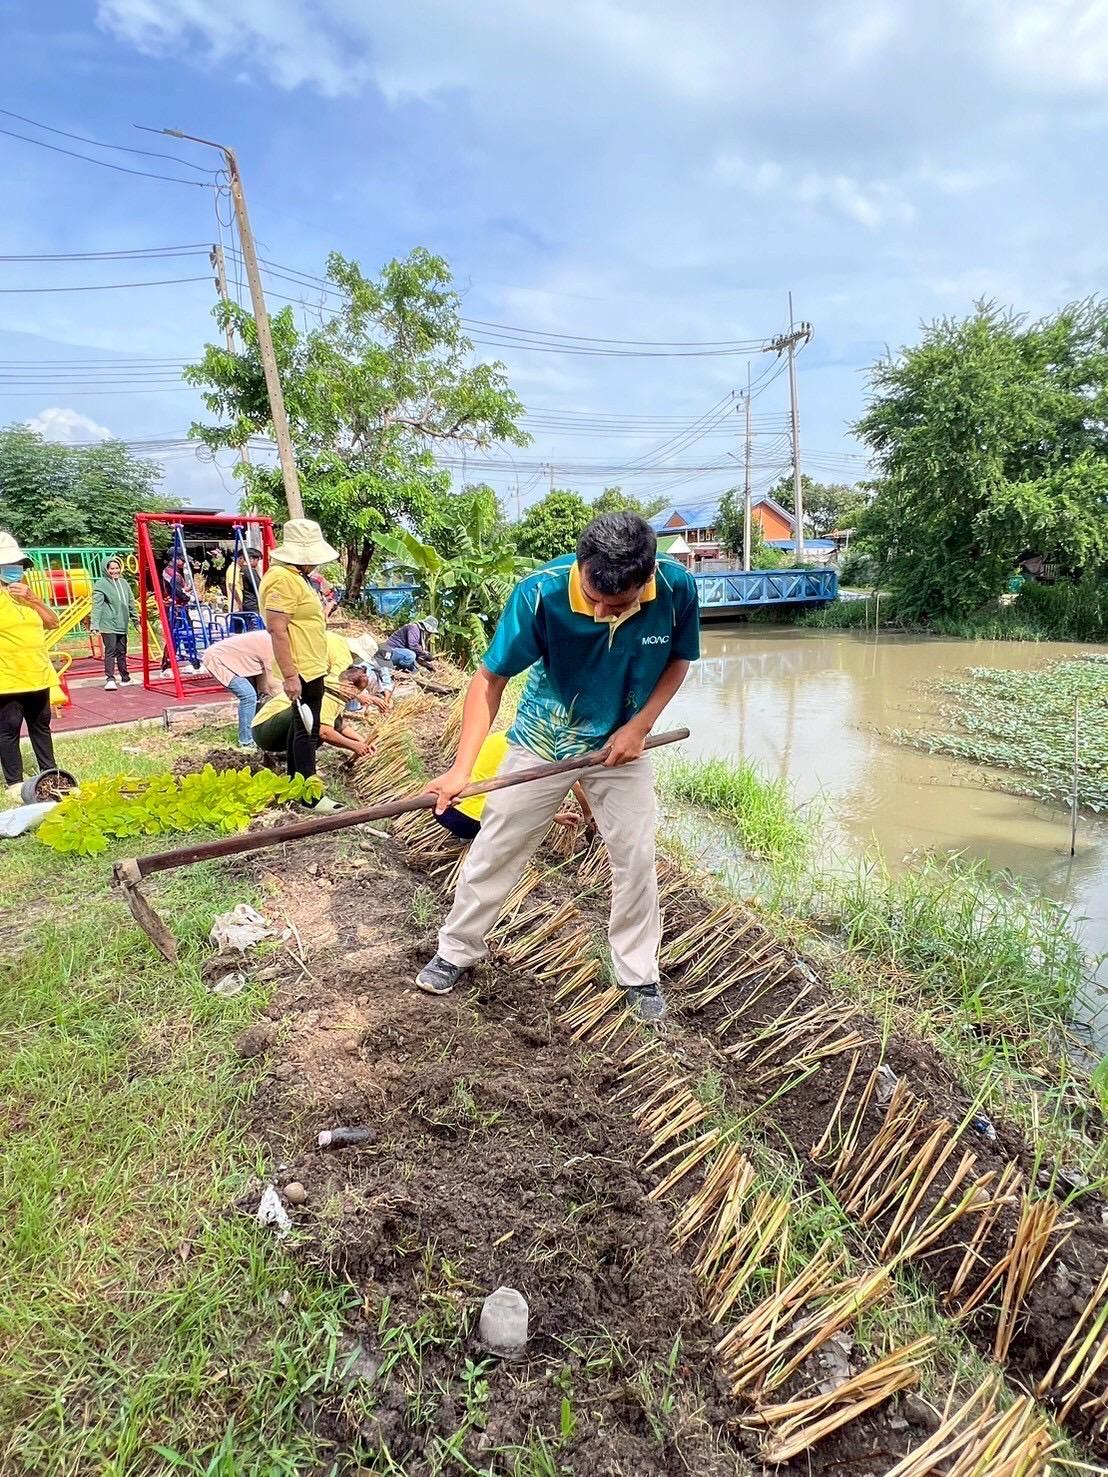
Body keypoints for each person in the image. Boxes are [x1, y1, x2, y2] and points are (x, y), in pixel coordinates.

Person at [415, 513, 700, 1023]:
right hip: (543, 740)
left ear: (647, 578)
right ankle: (456, 950)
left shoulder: (676, 588)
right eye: (593, 596)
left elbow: (679, 660)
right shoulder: (539, 593)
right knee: (497, 846)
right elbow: (489, 681)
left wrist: (640, 727)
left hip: (620, 745)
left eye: (617, 605)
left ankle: (638, 973)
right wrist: (461, 770)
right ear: (582, 564)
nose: (601, 610)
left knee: (635, 856)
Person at [258, 518, 341, 813]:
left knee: (302, 727)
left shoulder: (297, 577)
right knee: (308, 730)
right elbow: (277, 629)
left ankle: (297, 785)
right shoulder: (281, 579)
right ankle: (310, 796)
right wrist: (291, 675)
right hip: (301, 667)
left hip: (312, 665)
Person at [435, 729, 595, 843]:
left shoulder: (499, 737)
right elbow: (574, 784)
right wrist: (588, 814)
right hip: (471, 821)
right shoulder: (529, 752)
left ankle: (467, 836)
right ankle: (476, 838)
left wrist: (555, 817)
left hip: (444, 809)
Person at [0, 530, 62, 798]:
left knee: (41, 726)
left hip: (38, 674)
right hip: (8, 676)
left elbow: (53, 622)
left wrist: (33, 599)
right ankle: (14, 783)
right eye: (8, 565)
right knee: (8, 728)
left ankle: (51, 774)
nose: (16, 570)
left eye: (19, 565)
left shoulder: (27, 596)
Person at [251, 664, 375, 765]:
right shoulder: (330, 695)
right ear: (350, 686)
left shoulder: (336, 690)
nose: (355, 696)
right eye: (357, 692)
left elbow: (339, 725)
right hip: (264, 730)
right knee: (313, 722)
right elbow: (325, 732)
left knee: (319, 721)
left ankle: (292, 755)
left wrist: (363, 742)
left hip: (264, 727)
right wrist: (354, 746)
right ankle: (297, 759)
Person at [199, 630, 279, 748]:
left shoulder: (274, 640)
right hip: (217, 660)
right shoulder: (271, 644)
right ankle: (246, 742)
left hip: (240, 662)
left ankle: (258, 734)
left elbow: (266, 687)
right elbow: (274, 683)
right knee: (248, 696)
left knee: (260, 694)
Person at [91, 556, 138, 691]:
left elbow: (131, 603)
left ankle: (125, 678)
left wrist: (136, 621)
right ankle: (110, 679)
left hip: (122, 623)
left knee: (122, 651)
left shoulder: (124, 583)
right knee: (110, 651)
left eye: (117, 568)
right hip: (108, 624)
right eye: (111, 569)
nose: (115, 571)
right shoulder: (101, 584)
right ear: (106, 569)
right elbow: (97, 605)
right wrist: (95, 624)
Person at [225, 549, 262, 615]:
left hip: (243, 603)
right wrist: (239, 602)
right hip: (238, 605)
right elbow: (232, 585)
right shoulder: (234, 569)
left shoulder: (240, 569)